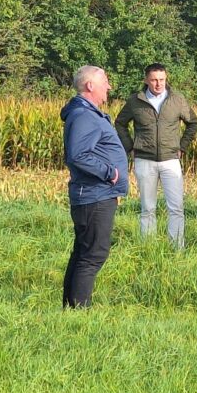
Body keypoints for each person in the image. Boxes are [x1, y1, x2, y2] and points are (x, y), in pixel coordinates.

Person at [61, 66, 129, 308]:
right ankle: (80, 310)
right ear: (90, 86)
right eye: (105, 82)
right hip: (94, 195)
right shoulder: (83, 116)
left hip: (96, 194)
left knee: (84, 252)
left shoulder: (86, 113)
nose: (108, 87)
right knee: (93, 254)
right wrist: (110, 173)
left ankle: (70, 308)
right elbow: (78, 155)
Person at [114, 62, 197, 249]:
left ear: (166, 79)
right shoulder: (135, 101)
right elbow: (120, 123)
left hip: (171, 159)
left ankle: (177, 248)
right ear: (146, 80)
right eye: (154, 80)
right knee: (147, 208)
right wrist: (130, 147)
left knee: (176, 207)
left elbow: (193, 123)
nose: (158, 84)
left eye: (161, 79)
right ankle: (148, 248)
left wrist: (182, 147)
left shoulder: (177, 100)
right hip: (144, 160)